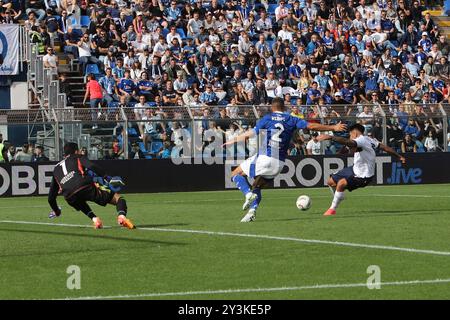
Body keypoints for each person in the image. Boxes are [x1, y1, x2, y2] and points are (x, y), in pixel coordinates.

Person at [223, 98, 347, 222]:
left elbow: (251, 133)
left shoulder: (267, 118)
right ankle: (252, 212)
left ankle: (248, 195)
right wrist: (333, 127)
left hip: (265, 157)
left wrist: (233, 140)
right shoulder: (292, 119)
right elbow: (312, 126)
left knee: (235, 174)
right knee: (257, 186)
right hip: (279, 163)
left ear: (272, 107)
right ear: (284, 107)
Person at [316, 124, 406, 216]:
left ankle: (332, 209)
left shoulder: (361, 140)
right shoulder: (369, 139)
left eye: (350, 135)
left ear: (354, 133)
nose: (350, 137)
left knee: (341, 183)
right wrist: (399, 156)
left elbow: (350, 143)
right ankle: (340, 196)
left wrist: (331, 137)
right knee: (330, 182)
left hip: (363, 175)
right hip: (355, 169)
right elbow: (385, 147)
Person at [48, 142, 135, 229]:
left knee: (79, 201)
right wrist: (107, 178)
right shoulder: (78, 157)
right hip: (84, 185)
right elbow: (91, 165)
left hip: (69, 195)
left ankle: (95, 219)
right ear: (76, 151)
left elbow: (51, 198)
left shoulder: (55, 169)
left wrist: (57, 211)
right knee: (119, 199)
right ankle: (122, 217)